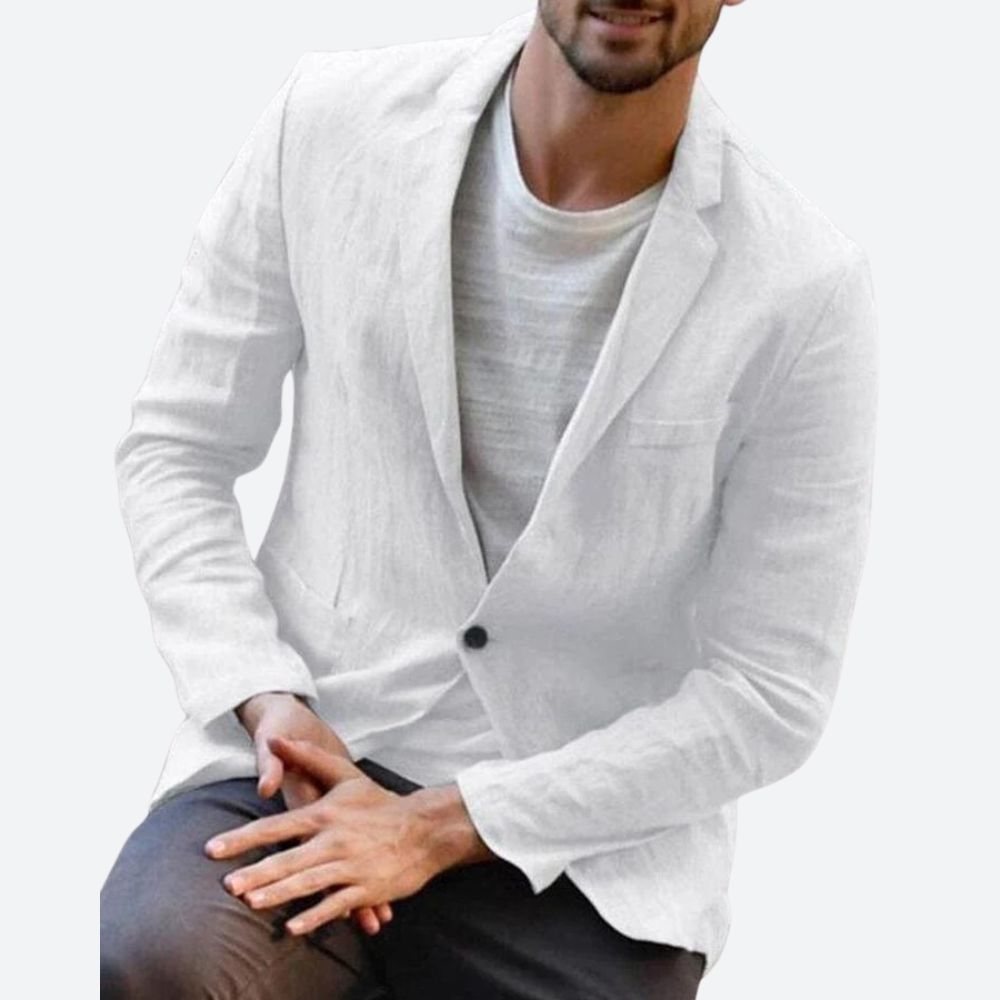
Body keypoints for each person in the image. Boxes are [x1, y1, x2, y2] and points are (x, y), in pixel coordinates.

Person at [101, 3, 879, 998]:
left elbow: (770, 691)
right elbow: (178, 446)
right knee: (169, 958)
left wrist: (447, 824)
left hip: (580, 847)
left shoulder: (801, 286)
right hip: (302, 761)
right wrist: (264, 692)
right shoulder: (330, 124)